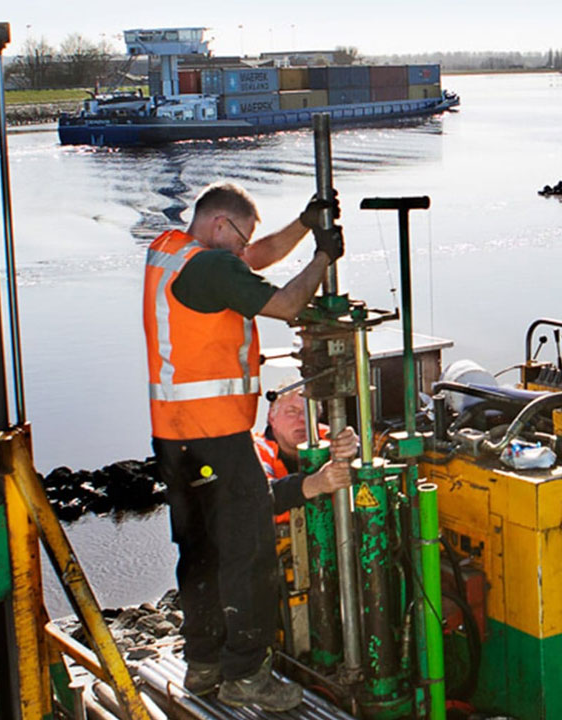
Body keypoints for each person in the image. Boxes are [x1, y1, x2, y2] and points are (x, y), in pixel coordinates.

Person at [143, 181, 348, 711]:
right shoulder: (214, 267)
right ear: (218, 225)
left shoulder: (170, 251)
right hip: (217, 437)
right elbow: (285, 304)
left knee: (200, 553)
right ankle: (246, 673)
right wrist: (325, 255)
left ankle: (204, 664)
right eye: (240, 238)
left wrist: (305, 223)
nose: (245, 251)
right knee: (249, 551)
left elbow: (256, 256)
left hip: (173, 437)